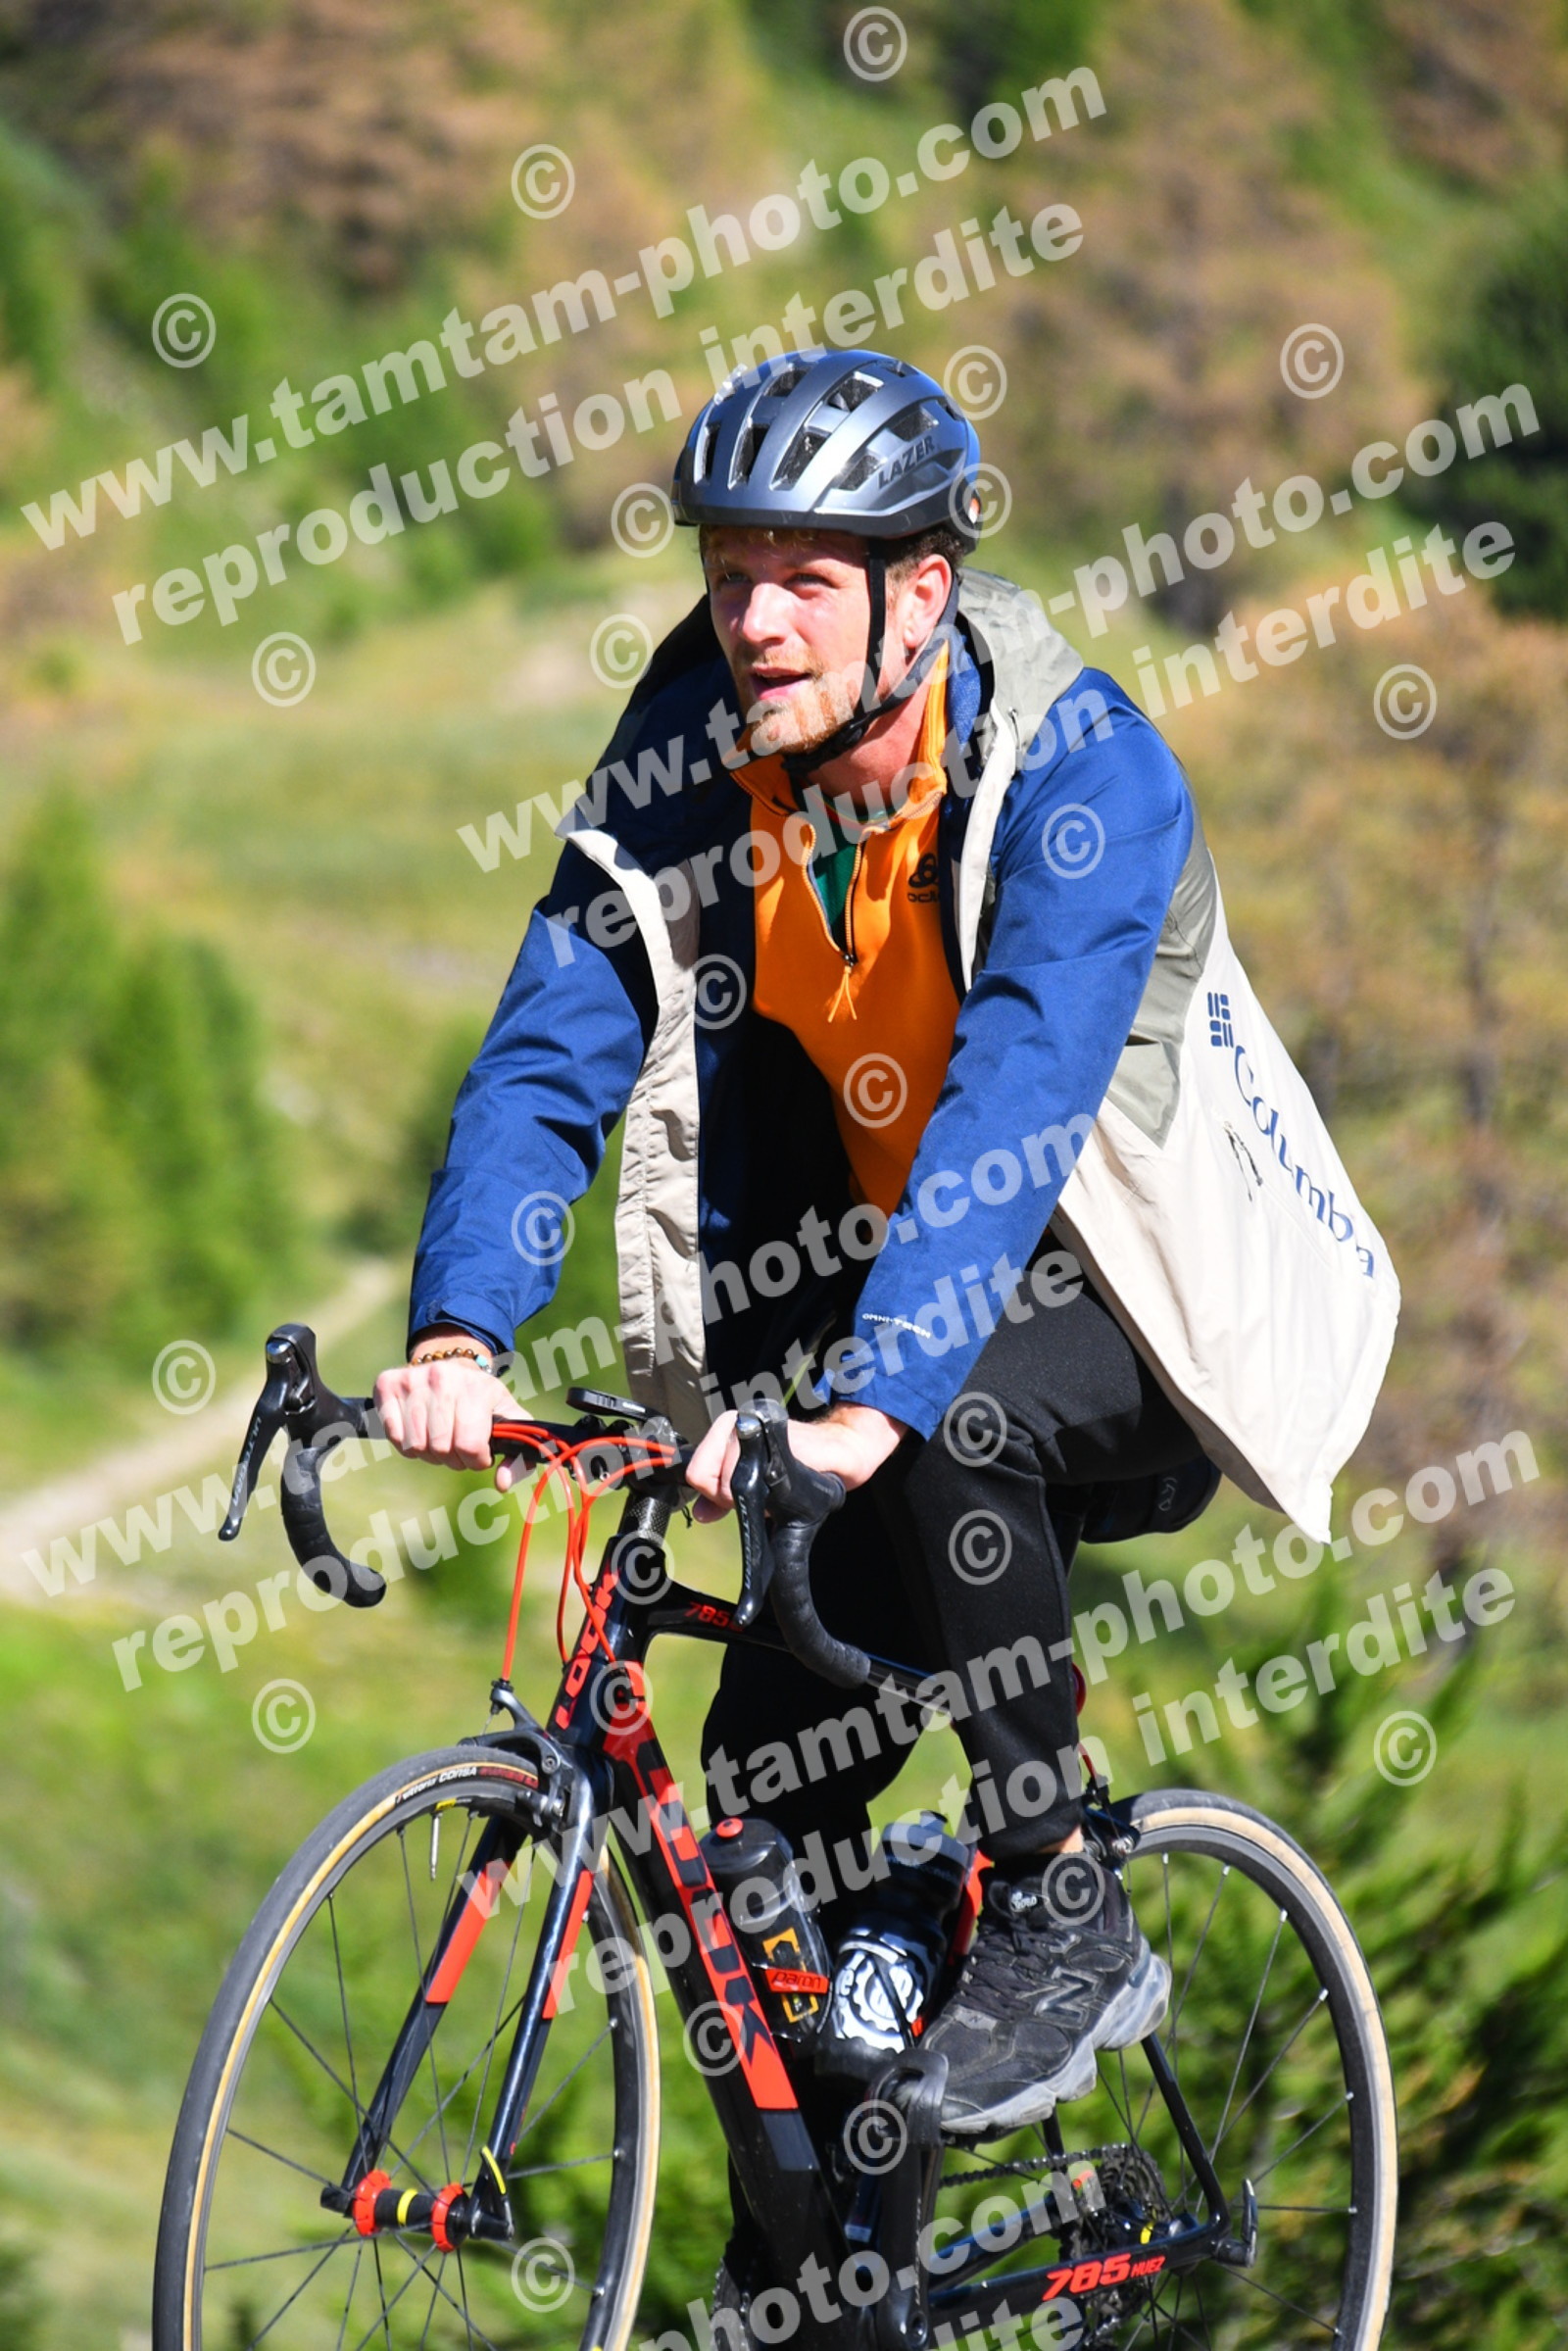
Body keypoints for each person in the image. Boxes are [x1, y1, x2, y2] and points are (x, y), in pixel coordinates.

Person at [373, 347, 1395, 2135]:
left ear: (920, 593)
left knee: (949, 1418)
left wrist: (865, 1410)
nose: (754, 620)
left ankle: (1061, 1899)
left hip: (1152, 1307)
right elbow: (557, 1033)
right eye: (729, 572)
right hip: (881, 1315)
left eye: (803, 578)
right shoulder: (700, 743)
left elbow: (1009, 1120)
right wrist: (461, 1327)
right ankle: (839, 2230)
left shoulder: (1085, 775)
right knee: (761, 1823)